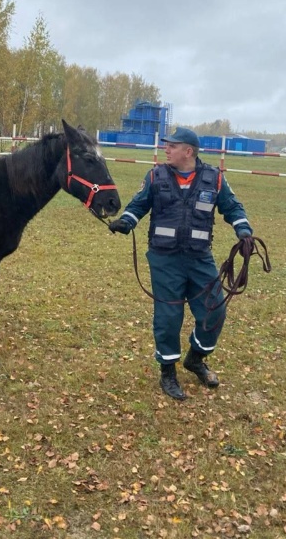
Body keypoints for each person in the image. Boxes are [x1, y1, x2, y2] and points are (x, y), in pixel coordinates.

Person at [109, 127, 254, 401]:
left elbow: (233, 208)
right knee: (168, 317)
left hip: (200, 259)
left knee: (214, 312)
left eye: (172, 146)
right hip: (164, 260)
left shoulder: (215, 179)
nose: (166, 149)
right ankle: (167, 371)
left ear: (188, 151)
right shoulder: (156, 175)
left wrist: (244, 232)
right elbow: (138, 205)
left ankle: (195, 359)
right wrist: (126, 221)